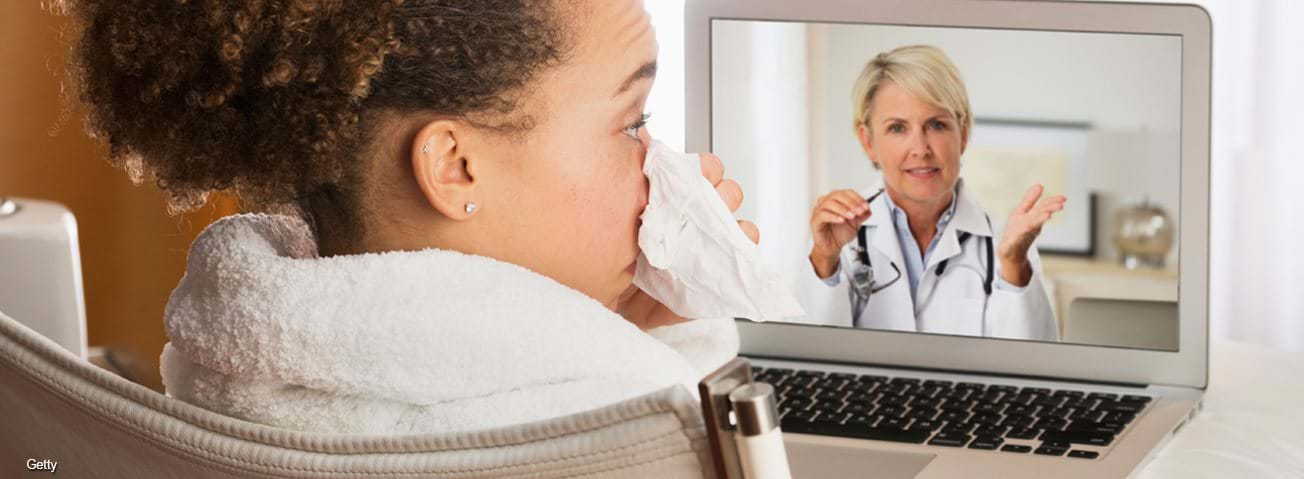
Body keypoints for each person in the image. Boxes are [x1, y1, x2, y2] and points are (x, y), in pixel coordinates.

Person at [57, 0, 753, 433]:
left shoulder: (226, 375)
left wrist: (616, 327)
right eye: (634, 122)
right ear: (454, 167)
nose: (659, 162)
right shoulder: (619, 433)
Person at [798, 45, 1062, 341]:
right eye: (898, 128)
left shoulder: (1004, 242)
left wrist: (1013, 264)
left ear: (962, 134)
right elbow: (813, 357)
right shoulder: (838, 236)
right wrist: (824, 259)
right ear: (868, 140)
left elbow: (1032, 368)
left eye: (936, 125)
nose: (921, 149)